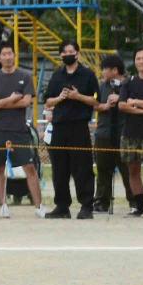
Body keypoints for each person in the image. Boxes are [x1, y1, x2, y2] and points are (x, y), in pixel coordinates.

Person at [0, 44, 41, 218]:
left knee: (30, 167)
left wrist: (0, 102)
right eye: (4, 54)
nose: (7, 57)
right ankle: (3, 205)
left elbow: (26, 102)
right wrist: (11, 99)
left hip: (19, 129)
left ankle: (39, 206)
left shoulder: (25, 76)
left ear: (14, 56)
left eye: (10, 53)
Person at [42, 42, 97, 220]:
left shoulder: (88, 75)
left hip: (79, 126)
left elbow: (96, 102)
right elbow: (47, 101)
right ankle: (62, 205)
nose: (68, 54)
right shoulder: (57, 75)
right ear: (60, 55)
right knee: (59, 168)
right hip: (59, 126)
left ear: (78, 54)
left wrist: (78, 96)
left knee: (82, 167)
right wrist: (60, 98)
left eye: (71, 51)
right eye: (65, 52)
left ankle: (87, 205)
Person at [116, 46, 143, 217]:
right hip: (129, 132)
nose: (141, 62)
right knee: (132, 169)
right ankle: (138, 205)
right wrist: (141, 108)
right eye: (138, 58)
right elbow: (121, 105)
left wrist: (135, 102)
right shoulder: (129, 81)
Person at [92, 55, 123, 213]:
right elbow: (94, 103)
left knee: (126, 169)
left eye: (105, 69)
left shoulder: (127, 84)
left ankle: (134, 202)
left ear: (115, 70)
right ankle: (101, 201)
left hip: (122, 133)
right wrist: (103, 106)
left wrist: (121, 99)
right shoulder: (101, 86)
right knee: (103, 169)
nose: (103, 72)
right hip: (103, 133)